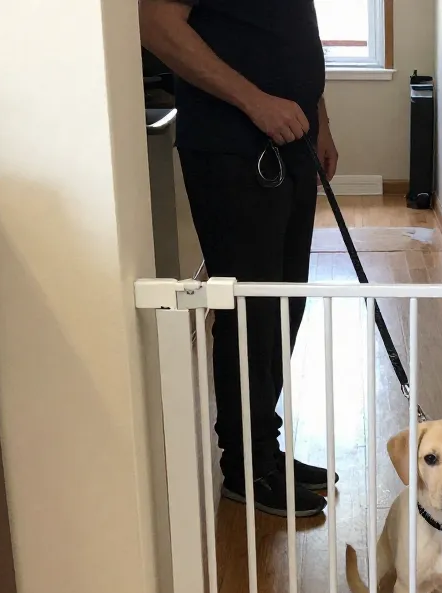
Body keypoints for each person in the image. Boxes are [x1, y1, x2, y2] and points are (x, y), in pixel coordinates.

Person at [139, 0, 339, 517]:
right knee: (249, 311)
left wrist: (320, 120)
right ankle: (245, 468)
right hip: (234, 150)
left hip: (292, 143)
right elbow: (154, 23)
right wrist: (255, 103)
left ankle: (265, 451)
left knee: (283, 305)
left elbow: (289, 32)